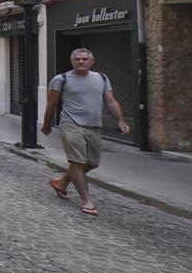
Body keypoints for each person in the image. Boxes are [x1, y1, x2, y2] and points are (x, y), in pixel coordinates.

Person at [43, 48, 131, 216]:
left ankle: (61, 182)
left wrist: (121, 121)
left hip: (93, 126)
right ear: (72, 61)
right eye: (77, 59)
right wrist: (47, 125)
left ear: (92, 61)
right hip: (71, 124)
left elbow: (111, 102)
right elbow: (51, 105)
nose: (81, 62)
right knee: (77, 162)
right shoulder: (61, 79)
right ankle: (87, 200)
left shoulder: (101, 78)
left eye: (84, 59)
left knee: (92, 163)